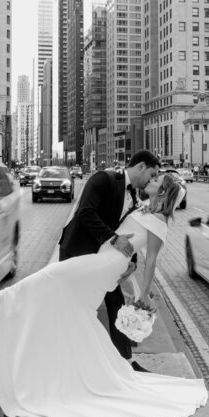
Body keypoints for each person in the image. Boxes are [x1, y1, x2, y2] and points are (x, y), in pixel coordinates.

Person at [0, 174, 207, 417]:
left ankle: (0, 299)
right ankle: (13, 310)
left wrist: (145, 293)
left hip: (105, 265)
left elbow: (151, 260)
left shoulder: (160, 221)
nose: (151, 180)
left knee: (52, 276)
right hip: (104, 260)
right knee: (69, 305)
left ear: (162, 193)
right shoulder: (144, 206)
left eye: (156, 181)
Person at [59, 149, 161, 368]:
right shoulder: (103, 179)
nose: (152, 180)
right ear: (140, 166)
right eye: (152, 174)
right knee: (74, 307)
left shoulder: (134, 198)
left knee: (116, 304)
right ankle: (71, 360)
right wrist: (115, 239)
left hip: (105, 261)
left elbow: (128, 232)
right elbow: (86, 213)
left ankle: (127, 362)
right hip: (77, 251)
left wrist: (131, 261)